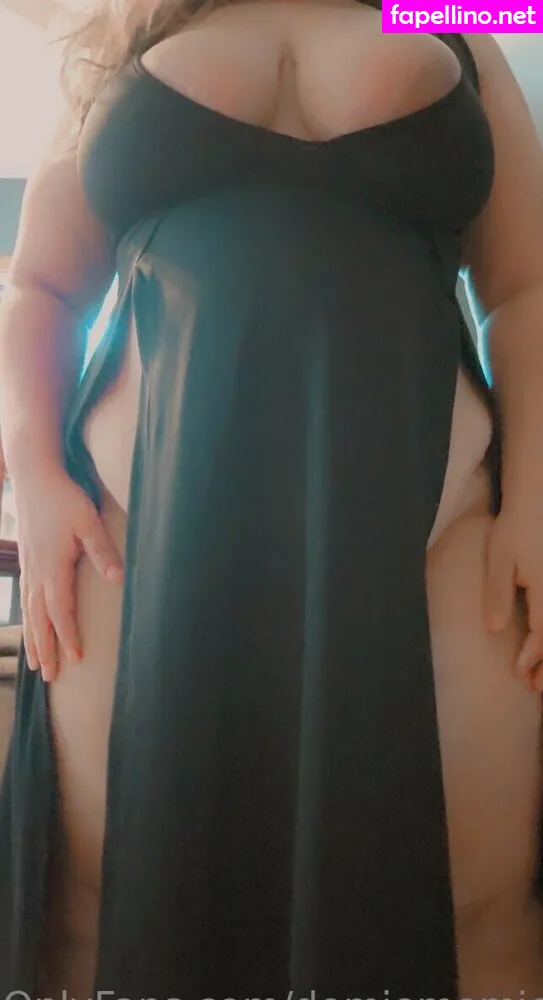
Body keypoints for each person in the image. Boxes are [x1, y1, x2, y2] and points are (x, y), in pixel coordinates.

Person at [0, 0, 542, 994]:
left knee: (482, 912)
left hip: (437, 540)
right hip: (135, 551)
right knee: (103, 913)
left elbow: (526, 288)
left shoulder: (462, 9)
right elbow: (38, 285)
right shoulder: (126, 20)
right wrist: (33, 475)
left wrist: (538, 497)